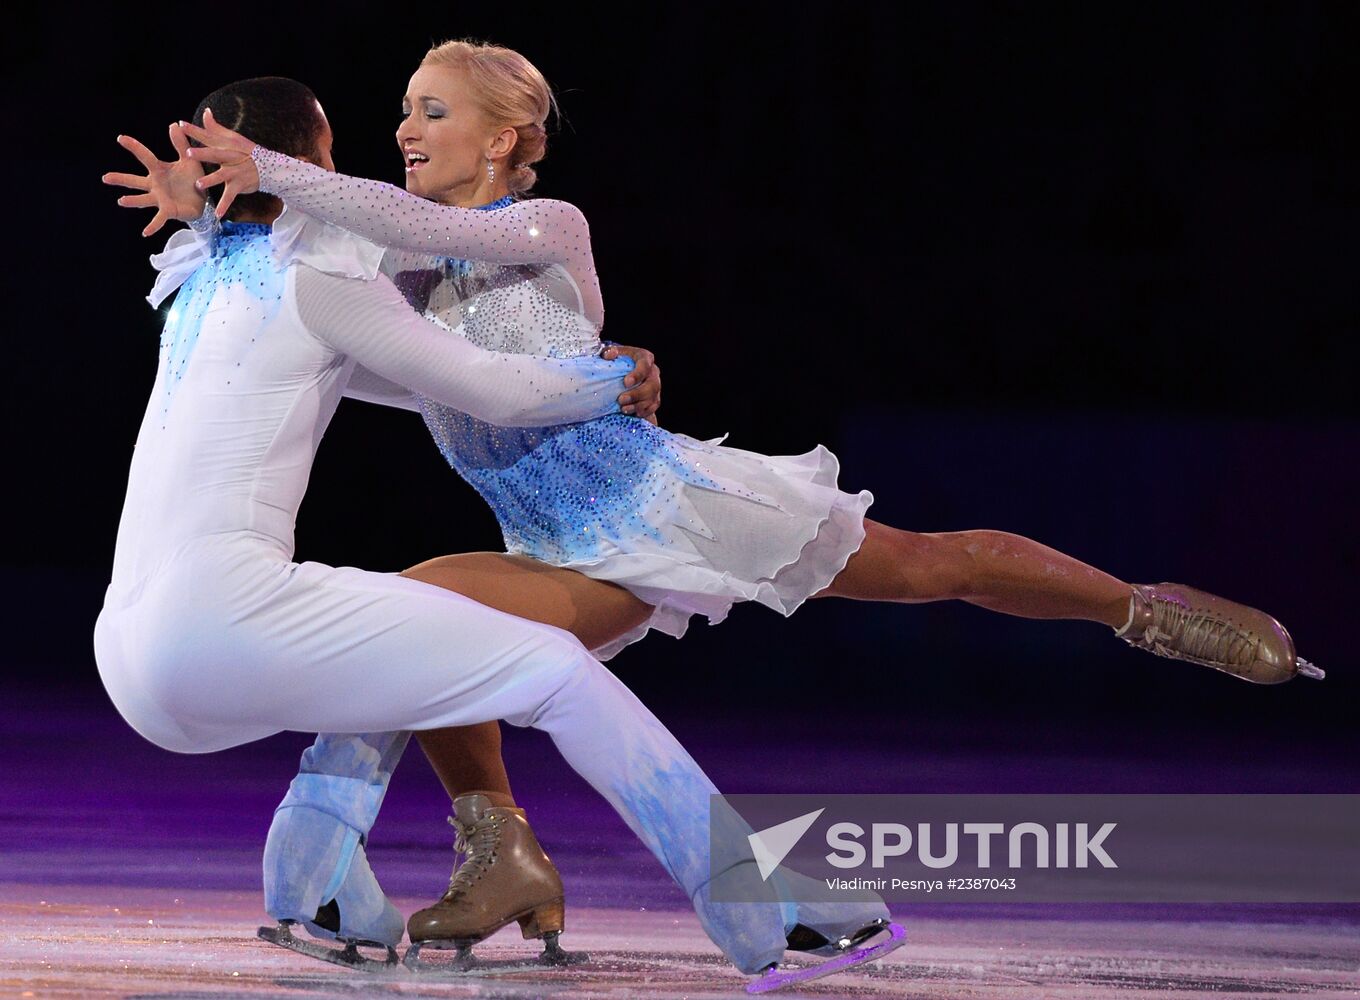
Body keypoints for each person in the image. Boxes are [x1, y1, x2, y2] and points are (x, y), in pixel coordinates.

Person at [168, 38, 1321, 962]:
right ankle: (500, 852)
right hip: (566, 549)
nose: (405, 128)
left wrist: (277, 170)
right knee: (421, 627)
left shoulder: (539, 225)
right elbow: (331, 330)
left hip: (673, 503)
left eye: (430, 110)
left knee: (932, 564)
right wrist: (217, 217)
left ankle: (1147, 609)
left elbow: (406, 222)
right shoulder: (399, 280)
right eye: (404, 109)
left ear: (506, 136)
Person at [98, 76, 846, 983]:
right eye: (328, 153)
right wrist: (617, 379)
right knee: (556, 671)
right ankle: (770, 913)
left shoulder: (202, 278)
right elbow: (488, 389)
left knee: (391, 665)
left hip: (129, 658)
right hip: (218, 617)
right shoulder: (317, 276)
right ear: (304, 164)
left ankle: (317, 881)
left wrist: (207, 211)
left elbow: (389, 371)